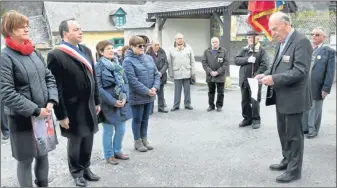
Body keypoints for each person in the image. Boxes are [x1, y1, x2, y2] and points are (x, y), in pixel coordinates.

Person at [0, 10, 59, 187]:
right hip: (22, 119)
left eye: (27, 25)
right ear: (9, 30)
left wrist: (51, 101)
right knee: (25, 160)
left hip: (43, 115)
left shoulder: (34, 52)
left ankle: (43, 184)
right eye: (20, 26)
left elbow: (49, 78)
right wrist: (35, 110)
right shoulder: (5, 57)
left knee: (43, 154)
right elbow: (6, 92)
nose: (26, 29)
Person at [255, 12, 312, 183]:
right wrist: (264, 75)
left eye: (275, 29)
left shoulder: (301, 42)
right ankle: (287, 160)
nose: (272, 33)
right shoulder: (282, 42)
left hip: (294, 98)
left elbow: (300, 71)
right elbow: (276, 68)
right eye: (271, 30)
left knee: (294, 135)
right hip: (281, 96)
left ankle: (294, 170)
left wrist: (273, 79)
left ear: (286, 24)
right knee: (283, 133)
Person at [47, 18, 101, 187]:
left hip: (89, 105)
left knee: (89, 139)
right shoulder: (56, 55)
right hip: (72, 108)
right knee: (76, 141)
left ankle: (86, 168)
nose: (81, 32)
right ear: (65, 33)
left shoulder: (85, 50)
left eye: (80, 28)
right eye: (76, 29)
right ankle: (76, 172)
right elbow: (56, 87)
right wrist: (61, 114)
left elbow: (94, 78)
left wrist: (97, 100)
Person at [95, 40, 132, 165]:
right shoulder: (98, 67)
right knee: (109, 130)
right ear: (101, 52)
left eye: (112, 48)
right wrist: (113, 101)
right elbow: (98, 88)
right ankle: (109, 154)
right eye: (108, 49)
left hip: (121, 100)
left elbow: (125, 81)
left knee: (121, 129)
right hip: (108, 103)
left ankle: (117, 151)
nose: (111, 50)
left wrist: (125, 96)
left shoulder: (117, 63)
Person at [123, 35, 160, 152]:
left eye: (144, 45)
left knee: (146, 118)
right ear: (132, 47)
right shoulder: (127, 61)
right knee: (137, 119)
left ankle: (144, 139)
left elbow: (156, 74)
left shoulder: (148, 58)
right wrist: (147, 91)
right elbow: (132, 80)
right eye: (140, 46)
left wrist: (155, 87)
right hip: (137, 96)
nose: (143, 48)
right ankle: (137, 141)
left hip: (150, 95)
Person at [302, 27, 336, 138]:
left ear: (323, 37)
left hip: (318, 86)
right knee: (305, 107)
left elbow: (330, 72)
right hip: (304, 85)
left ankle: (313, 130)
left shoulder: (329, 51)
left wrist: (326, 88)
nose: (314, 36)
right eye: (312, 34)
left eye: (317, 34)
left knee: (315, 109)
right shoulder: (307, 49)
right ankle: (305, 128)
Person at [234, 31, 268, 129]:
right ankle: (247, 118)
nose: (250, 39)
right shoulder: (244, 50)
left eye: (252, 37)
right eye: (248, 37)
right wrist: (247, 59)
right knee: (244, 101)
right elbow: (236, 60)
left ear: (257, 38)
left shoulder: (262, 51)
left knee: (255, 100)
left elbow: (264, 65)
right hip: (244, 79)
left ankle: (256, 119)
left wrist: (256, 75)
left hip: (254, 80)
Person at [168, 33, 196, 111]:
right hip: (177, 73)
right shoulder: (171, 49)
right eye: (178, 38)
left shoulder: (189, 48)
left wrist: (193, 73)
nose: (180, 40)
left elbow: (192, 61)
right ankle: (176, 105)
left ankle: (187, 104)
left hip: (187, 72)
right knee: (177, 90)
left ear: (183, 39)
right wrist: (170, 73)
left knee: (187, 90)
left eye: (181, 38)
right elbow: (169, 63)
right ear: (175, 40)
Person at [202, 37, 229, 112]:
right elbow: (204, 63)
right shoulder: (206, 51)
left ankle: (219, 106)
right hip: (210, 75)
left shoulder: (224, 51)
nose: (215, 43)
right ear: (211, 43)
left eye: (216, 42)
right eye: (213, 42)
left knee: (220, 92)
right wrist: (210, 71)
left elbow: (226, 63)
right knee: (211, 91)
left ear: (219, 42)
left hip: (220, 75)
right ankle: (211, 105)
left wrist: (217, 72)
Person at [146, 39, 169, 113]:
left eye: (158, 45)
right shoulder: (148, 53)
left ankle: (161, 107)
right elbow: (146, 65)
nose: (157, 46)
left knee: (161, 93)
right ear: (152, 45)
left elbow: (166, 63)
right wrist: (155, 73)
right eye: (155, 45)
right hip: (152, 76)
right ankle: (150, 109)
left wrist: (161, 72)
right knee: (152, 92)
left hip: (161, 75)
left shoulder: (162, 52)